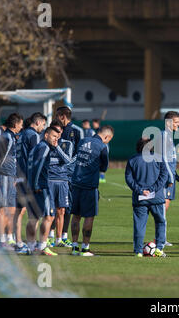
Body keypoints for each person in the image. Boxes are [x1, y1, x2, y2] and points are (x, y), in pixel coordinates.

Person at [70, 125, 114, 256]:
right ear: (107, 136)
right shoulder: (102, 147)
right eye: (109, 139)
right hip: (89, 186)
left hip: (76, 183)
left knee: (76, 216)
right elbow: (104, 168)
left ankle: (74, 247)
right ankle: (85, 248)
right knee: (89, 217)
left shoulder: (83, 141)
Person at [125, 137, 168, 257]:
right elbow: (164, 176)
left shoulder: (133, 160)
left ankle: (138, 251)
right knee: (160, 222)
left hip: (140, 199)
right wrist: (152, 189)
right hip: (157, 198)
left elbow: (129, 178)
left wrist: (140, 190)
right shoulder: (159, 157)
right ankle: (159, 249)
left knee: (139, 225)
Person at [26, 126, 62, 256]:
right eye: (53, 136)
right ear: (46, 135)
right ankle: (42, 246)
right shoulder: (44, 147)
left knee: (33, 218)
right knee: (49, 216)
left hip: (31, 186)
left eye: (57, 137)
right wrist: (36, 185)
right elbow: (38, 166)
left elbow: (29, 166)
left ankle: (30, 247)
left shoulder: (36, 147)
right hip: (41, 187)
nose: (55, 139)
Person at [14, 112, 46, 254]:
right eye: (44, 124)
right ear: (38, 122)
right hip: (28, 178)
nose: (43, 127)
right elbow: (34, 158)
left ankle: (19, 242)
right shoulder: (33, 135)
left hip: (19, 176)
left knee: (19, 212)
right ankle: (31, 245)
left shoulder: (22, 134)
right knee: (34, 214)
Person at [0, 113, 23, 251]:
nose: (21, 127)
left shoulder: (12, 137)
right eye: (21, 125)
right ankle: (0, 241)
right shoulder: (7, 137)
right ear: (15, 124)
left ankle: (5, 239)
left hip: (10, 177)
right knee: (3, 209)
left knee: (10, 209)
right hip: (4, 176)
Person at [54, 106, 84, 246]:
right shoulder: (54, 130)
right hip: (55, 174)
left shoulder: (77, 131)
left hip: (70, 175)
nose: (55, 118)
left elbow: (80, 153)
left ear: (62, 116)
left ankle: (64, 235)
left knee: (66, 205)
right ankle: (52, 235)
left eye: (56, 115)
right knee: (55, 206)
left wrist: (68, 165)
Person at [47, 120, 74, 248]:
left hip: (63, 181)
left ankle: (59, 239)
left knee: (61, 210)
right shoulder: (45, 145)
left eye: (59, 131)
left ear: (62, 131)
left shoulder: (67, 144)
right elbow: (46, 162)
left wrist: (57, 147)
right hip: (50, 180)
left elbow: (67, 160)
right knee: (48, 211)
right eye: (54, 131)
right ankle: (47, 238)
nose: (57, 134)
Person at [160, 111, 179, 247]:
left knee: (164, 207)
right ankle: (161, 239)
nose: (178, 124)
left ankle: (162, 238)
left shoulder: (169, 136)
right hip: (166, 178)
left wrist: (175, 174)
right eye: (176, 122)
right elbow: (163, 159)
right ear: (169, 123)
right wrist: (170, 176)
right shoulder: (164, 136)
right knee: (163, 207)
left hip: (170, 175)